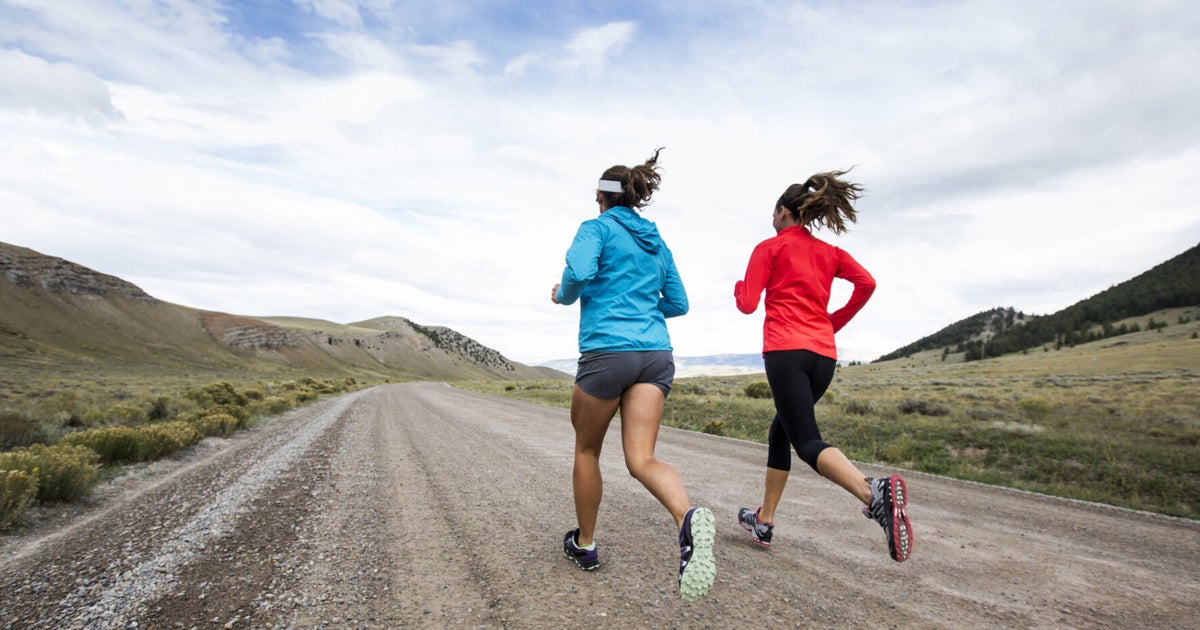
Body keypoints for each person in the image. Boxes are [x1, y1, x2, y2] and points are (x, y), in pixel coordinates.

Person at [551, 148, 716, 601]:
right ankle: (687, 518)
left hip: (608, 351)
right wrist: (643, 307)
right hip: (656, 354)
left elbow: (580, 272)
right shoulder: (657, 243)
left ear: (600, 197)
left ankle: (585, 545)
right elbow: (678, 303)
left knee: (587, 449)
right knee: (642, 459)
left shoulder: (596, 228)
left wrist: (562, 295)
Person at [732, 169, 913, 562]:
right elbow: (867, 283)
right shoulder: (829, 253)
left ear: (783, 212)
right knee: (781, 431)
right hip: (824, 357)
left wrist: (736, 289)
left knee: (807, 442)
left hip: (786, 352)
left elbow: (747, 303)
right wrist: (833, 322)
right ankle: (764, 519)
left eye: (773, 213)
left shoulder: (771, 247)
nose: (772, 220)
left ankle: (872, 493)